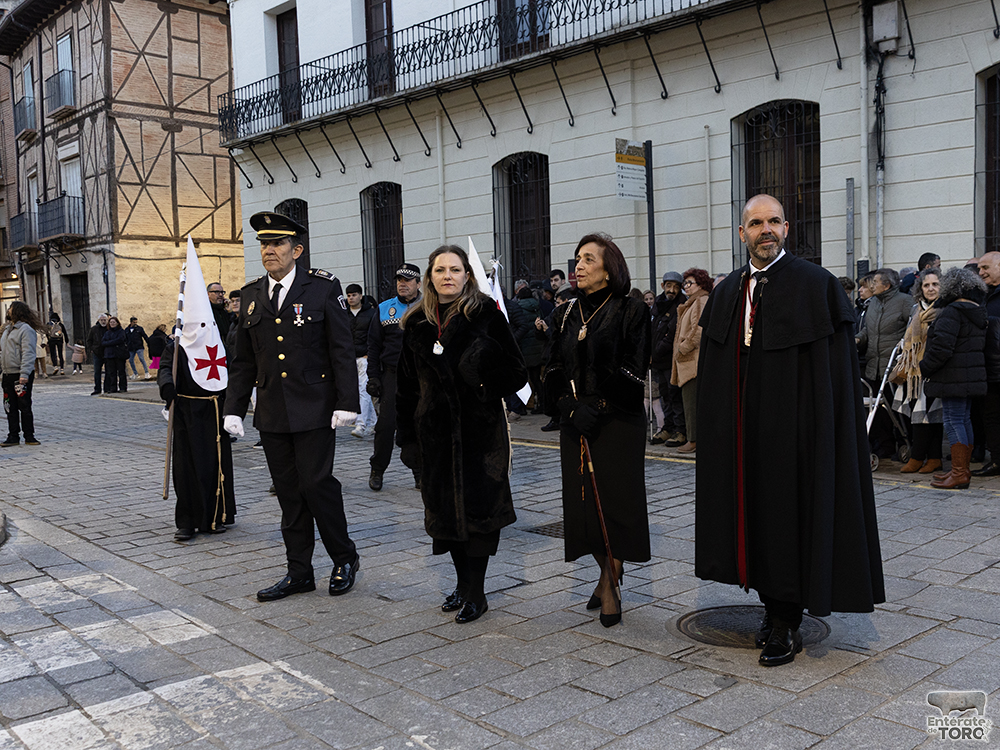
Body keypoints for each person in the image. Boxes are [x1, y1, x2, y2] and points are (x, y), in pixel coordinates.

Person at [696, 194, 884, 667]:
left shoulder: (815, 285)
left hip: (796, 432)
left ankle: (786, 622)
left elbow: (834, 377)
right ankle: (771, 606)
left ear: (787, 229)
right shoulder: (724, 292)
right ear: (742, 233)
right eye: (755, 223)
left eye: (774, 221)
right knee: (752, 517)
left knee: (788, 518)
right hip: (743, 433)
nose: (765, 230)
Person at [223, 211, 361, 602]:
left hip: (316, 407)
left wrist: (347, 401)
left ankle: (345, 558)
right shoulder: (251, 295)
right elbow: (244, 361)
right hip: (273, 411)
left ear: (296, 250)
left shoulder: (321, 288)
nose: (269, 250)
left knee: (317, 485)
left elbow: (341, 348)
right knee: (288, 492)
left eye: (277, 244)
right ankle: (299, 571)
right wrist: (234, 408)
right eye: (264, 244)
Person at [396, 245, 527, 623]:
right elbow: (404, 388)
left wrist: (482, 381)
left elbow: (517, 372)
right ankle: (461, 584)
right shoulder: (416, 323)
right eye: (440, 270)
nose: (447, 276)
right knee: (446, 518)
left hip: (479, 437)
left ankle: (477, 592)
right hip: (433, 437)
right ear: (430, 278)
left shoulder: (486, 315)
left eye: (455, 269)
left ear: (468, 275)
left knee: (479, 517)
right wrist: (407, 439)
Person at [544, 233, 651, 628]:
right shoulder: (565, 313)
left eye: (589, 259)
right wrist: (570, 409)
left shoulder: (631, 309)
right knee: (584, 506)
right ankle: (608, 569)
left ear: (609, 269)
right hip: (576, 422)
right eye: (577, 258)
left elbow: (633, 368)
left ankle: (609, 582)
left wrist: (599, 406)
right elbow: (552, 368)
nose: (579, 265)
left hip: (618, 422)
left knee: (616, 505)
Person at [158, 337, 236, 539]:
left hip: (214, 411)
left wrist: (234, 408)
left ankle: (214, 517)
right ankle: (186, 521)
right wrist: (167, 386)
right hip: (186, 413)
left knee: (213, 466)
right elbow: (165, 368)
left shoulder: (219, 346)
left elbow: (232, 372)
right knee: (185, 467)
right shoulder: (175, 347)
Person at [920, 268, 988, 490]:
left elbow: (942, 347)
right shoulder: (975, 310)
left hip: (953, 376)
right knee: (963, 419)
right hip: (967, 376)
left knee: (953, 420)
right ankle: (962, 471)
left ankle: (959, 473)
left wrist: (925, 367)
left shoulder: (952, 311)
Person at [366, 263, 422, 491]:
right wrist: (373, 377)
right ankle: (377, 470)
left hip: (420, 378)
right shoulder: (383, 308)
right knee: (385, 427)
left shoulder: (429, 308)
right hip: (391, 377)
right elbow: (374, 346)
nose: (402, 284)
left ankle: (420, 472)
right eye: (399, 280)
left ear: (418, 284)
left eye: (408, 280)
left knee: (418, 426)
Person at [856, 267, 914, 458]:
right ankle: (884, 446)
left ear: (886, 285)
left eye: (875, 282)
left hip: (895, 368)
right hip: (875, 366)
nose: (871, 285)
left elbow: (912, 330)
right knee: (879, 412)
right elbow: (868, 331)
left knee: (898, 411)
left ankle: (904, 444)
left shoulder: (905, 302)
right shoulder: (872, 303)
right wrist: (857, 339)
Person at [893, 269, 944, 475]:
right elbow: (907, 336)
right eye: (926, 285)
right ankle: (933, 459)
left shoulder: (945, 308)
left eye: (935, 284)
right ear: (920, 288)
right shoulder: (916, 309)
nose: (930, 288)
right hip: (914, 372)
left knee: (929, 416)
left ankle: (918, 457)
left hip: (935, 369)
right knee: (920, 414)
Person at [671, 269, 712, 454]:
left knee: (691, 403)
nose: (685, 286)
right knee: (689, 402)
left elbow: (698, 330)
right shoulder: (693, 302)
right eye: (685, 283)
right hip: (689, 361)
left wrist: (682, 348)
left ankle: (693, 440)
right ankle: (693, 438)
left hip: (693, 362)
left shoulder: (700, 301)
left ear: (701, 284)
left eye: (689, 283)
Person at [649, 272, 686, 445]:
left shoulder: (680, 305)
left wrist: (655, 351)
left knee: (675, 395)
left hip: (672, 360)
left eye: (676, 287)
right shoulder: (657, 303)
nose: (672, 290)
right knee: (664, 395)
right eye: (669, 286)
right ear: (663, 286)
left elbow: (671, 335)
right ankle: (668, 428)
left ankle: (680, 430)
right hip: (658, 361)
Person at [1, 302, 42, 447]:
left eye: (11, 308)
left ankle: (29, 436)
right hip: (7, 374)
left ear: (17, 311)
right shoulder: (7, 330)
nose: (9, 311)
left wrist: (24, 373)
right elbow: (3, 352)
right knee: (9, 406)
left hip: (20, 375)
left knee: (24, 405)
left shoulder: (25, 329)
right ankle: (13, 436)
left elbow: (28, 353)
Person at [346, 283, 377, 438]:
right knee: (357, 390)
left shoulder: (370, 313)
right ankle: (373, 423)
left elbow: (374, 335)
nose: (351, 298)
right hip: (349, 358)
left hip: (365, 358)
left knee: (363, 390)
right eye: (349, 295)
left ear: (360, 295)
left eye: (354, 295)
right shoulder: (343, 313)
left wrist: (369, 354)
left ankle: (360, 424)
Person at [101, 316, 128, 394]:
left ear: (117, 323)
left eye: (114, 322)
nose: (112, 324)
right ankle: (113, 388)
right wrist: (112, 342)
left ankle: (123, 387)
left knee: (121, 372)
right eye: (111, 322)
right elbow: (103, 342)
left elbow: (120, 340)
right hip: (109, 355)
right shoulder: (107, 333)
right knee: (112, 373)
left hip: (119, 354)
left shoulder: (121, 331)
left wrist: (109, 342)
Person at [87, 314, 109, 395]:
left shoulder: (109, 328)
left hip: (107, 352)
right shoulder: (94, 329)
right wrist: (92, 349)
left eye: (105, 320)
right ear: (99, 320)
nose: (103, 321)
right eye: (102, 320)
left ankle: (107, 388)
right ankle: (97, 389)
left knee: (108, 371)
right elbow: (89, 340)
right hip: (97, 353)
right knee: (97, 372)